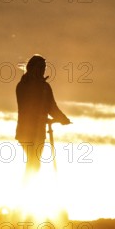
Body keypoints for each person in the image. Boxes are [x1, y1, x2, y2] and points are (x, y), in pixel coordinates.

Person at [15, 55, 71, 183]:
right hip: (26, 131)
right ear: (31, 68)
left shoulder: (44, 87)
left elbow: (52, 107)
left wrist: (62, 119)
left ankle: (25, 190)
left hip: (39, 131)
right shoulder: (24, 85)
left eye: (44, 67)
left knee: (34, 162)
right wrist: (46, 117)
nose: (42, 70)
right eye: (40, 67)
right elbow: (27, 106)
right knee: (33, 161)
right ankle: (25, 191)